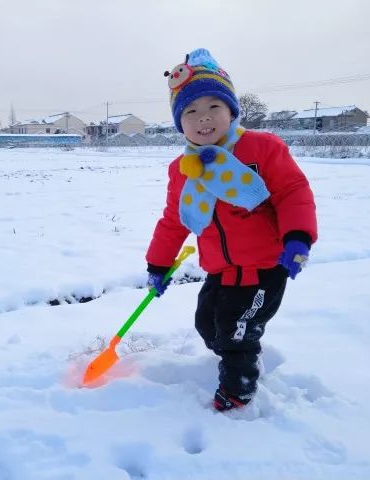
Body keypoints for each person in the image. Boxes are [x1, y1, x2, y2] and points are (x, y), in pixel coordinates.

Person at [145, 48, 317, 412]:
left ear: (232, 110)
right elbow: (174, 220)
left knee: (236, 329)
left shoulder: (261, 148)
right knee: (207, 323)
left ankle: (238, 387)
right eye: (190, 111)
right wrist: (158, 265)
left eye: (213, 108)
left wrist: (297, 236)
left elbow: (292, 192)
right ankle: (230, 348)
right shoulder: (183, 169)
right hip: (220, 269)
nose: (203, 119)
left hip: (264, 267)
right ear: (180, 122)